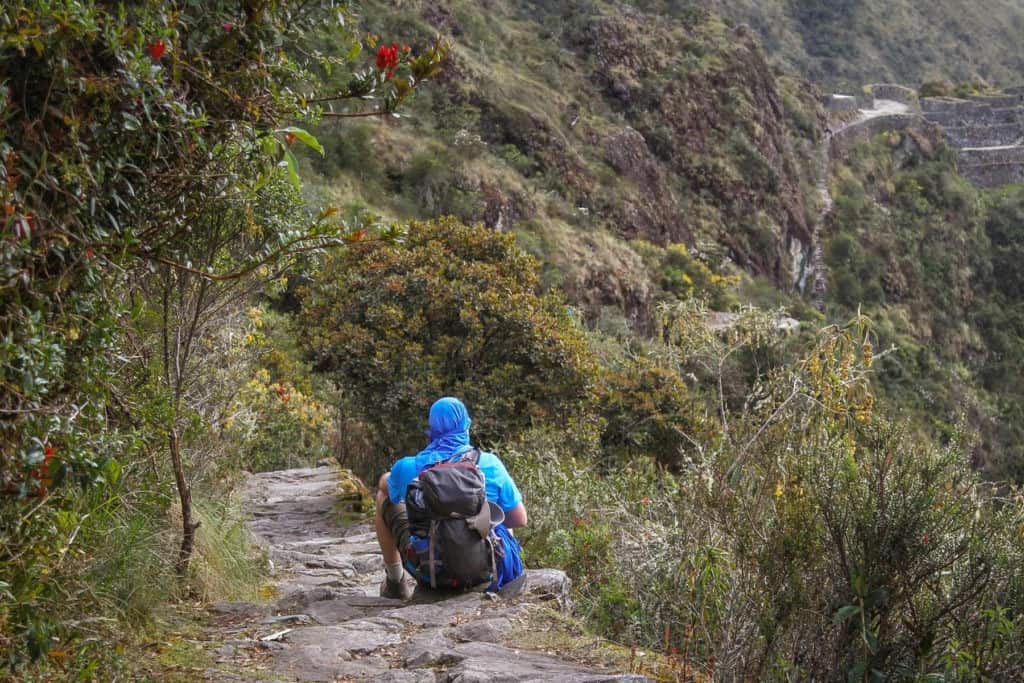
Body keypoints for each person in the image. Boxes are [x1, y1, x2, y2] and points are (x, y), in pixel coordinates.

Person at [374, 397, 528, 599]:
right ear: (466, 425)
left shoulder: (409, 467)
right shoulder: (490, 464)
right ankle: (500, 574)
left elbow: (386, 488)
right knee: (498, 514)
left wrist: (392, 477)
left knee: (382, 497)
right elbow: (520, 519)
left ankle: (395, 582)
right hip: (482, 569)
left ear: (431, 428)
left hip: (430, 572)